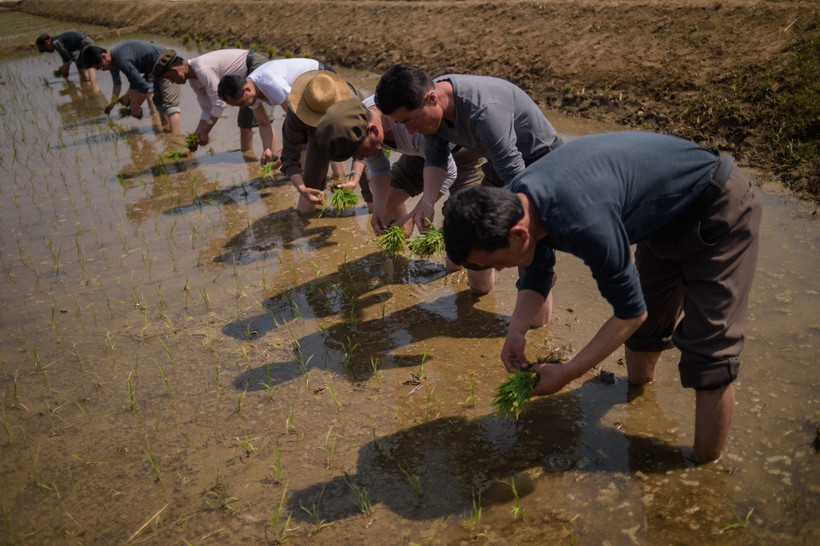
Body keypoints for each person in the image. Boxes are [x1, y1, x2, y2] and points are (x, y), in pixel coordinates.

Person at [442, 131, 762, 464]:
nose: (499, 269)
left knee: (709, 356)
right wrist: (516, 331)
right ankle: (642, 400)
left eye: (496, 262)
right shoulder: (516, 203)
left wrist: (569, 372)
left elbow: (631, 312)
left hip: (715, 204)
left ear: (519, 235)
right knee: (644, 334)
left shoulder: (583, 220)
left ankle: (703, 470)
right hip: (662, 220)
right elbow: (537, 272)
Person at [374, 63, 561, 309]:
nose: (409, 131)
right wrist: (427, 202)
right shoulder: (432, 106)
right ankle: (479, 302)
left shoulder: (484, 111)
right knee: (471, 239)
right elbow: (436, 159)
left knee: (532, 258)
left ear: (431, 99)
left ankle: (536, 328)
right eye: (402, 124)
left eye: (409, 121)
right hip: (499, 164)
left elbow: (518, 180)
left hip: (539, 164)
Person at [316, 96, 489, 291]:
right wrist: (378, 207)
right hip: (420, 153)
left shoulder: (411, 123)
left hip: (466, 152)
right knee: (388, 200)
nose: (359, 158)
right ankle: (401, 253)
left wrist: (413, 216)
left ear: (373, 130)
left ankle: (461, 277)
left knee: (465, 235)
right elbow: (378, 166)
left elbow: (448, 171)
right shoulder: (361, 119)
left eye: (358, 153)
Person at [280, 70, 372, 213]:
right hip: (315, 138)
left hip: (348, 127)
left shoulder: (352, 104)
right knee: (308, 197)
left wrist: (354, 178)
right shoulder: (295, 112)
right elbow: (289, 157)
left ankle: (377, 212)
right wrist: (302, 189)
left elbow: (363, 146)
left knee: (371, 186)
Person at [151, 48, 271, 156]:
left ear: (175, 70)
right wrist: (197, 134)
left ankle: (274, 159)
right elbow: (207, 108)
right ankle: (249, 161)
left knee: (263, 121)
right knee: (245, 124)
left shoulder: (202, 69)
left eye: (169, 78)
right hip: (242, 81)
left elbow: (219, 104)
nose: (172, 82)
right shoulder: (194, 81)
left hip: (254, 67)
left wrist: (205, 131)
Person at [216, 57, 332, 167]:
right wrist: (267, 148)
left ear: (247, 89)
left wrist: (286, 150)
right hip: (305, 93)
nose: (242, 108)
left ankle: (338, 177)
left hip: (322, 77)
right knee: (303, 158)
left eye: (241, 103)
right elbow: (263, 124)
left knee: (327, 134)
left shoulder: (271, 84)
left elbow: (297, 118)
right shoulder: (251, 90)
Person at [82, 41, 181, 133]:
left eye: (101, 66)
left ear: (103, 57)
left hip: (167, 64)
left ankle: (176, 139)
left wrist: (136, 106)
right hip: (155, 71)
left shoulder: (121, 59)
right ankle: (166, 136)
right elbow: (133, 83)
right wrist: (127, 99)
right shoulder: (114, 62)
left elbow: (143, 86)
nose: (103, 70)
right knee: (160, 106)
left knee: (170, 108)